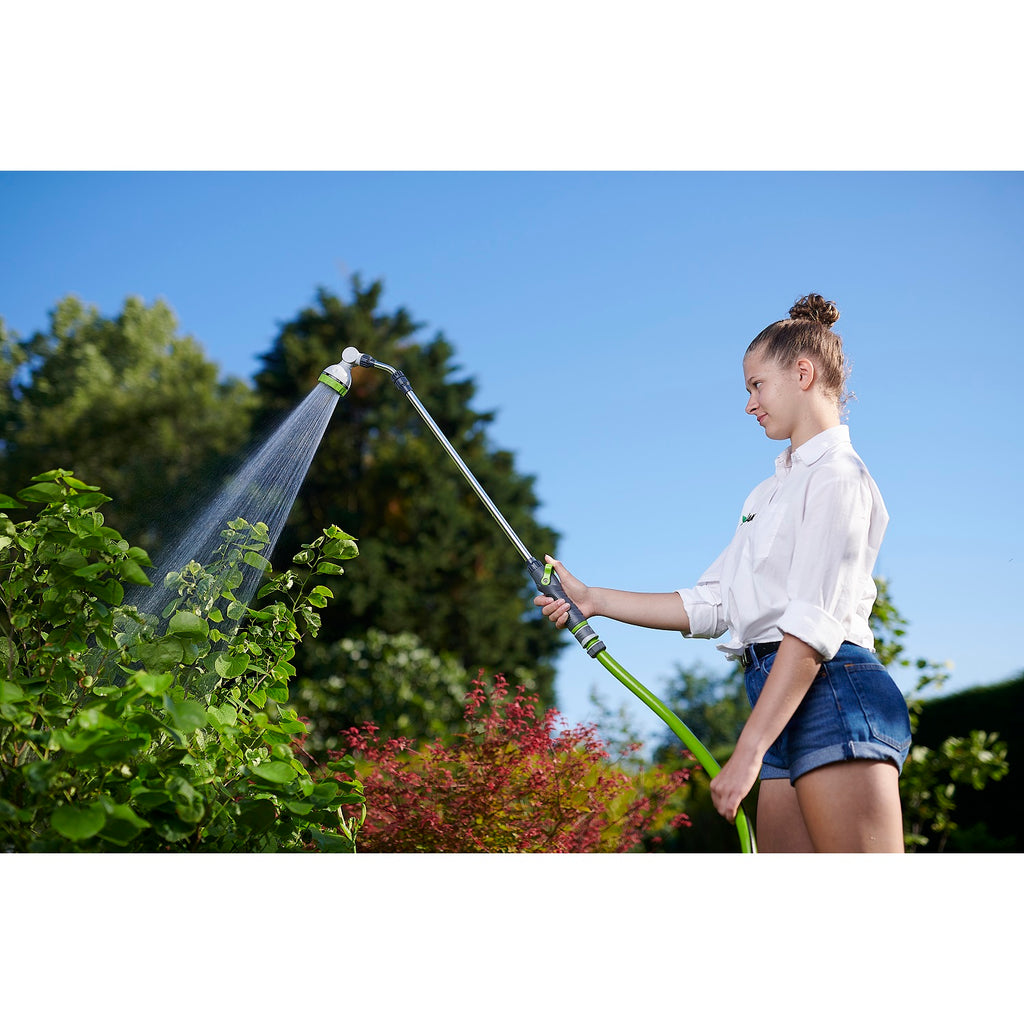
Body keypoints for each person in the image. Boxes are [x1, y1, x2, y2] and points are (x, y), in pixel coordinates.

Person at [535, 294, 912, 853]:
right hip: (778, 697)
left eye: (756, 386)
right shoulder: (767, 492)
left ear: (802, 373)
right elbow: (715, 603)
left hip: (831, 689)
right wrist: (593, 599)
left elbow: (810, 628)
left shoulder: (839, 477)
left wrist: (749, 750)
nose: (749, 404)